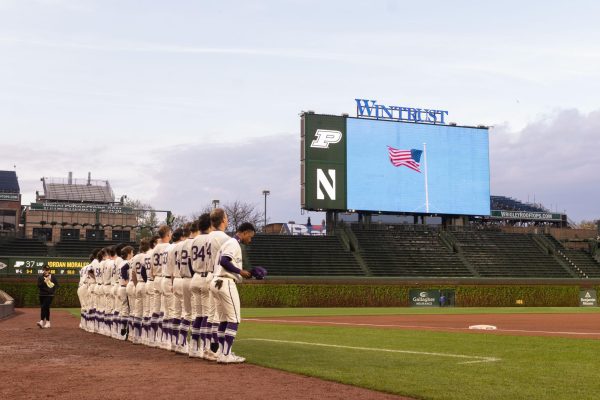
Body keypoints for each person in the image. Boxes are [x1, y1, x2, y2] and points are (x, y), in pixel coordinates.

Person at [210, 222, 255, 363]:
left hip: (217, 281)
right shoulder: (233, 243)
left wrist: (244, 273)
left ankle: (222, 353)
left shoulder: (228, 243)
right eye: (251, 236)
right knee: (234, 320)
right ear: (245, 232)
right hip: (225, 282)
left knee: (223, 320)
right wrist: (240, 271)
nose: (250, 239)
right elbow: (224, 261)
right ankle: (226, 354)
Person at [189, 213, 213, 358]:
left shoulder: (194, 240)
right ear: (210, 224)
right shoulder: (212, 238)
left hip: (195, 277)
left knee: (198, 315)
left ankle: (193, 346)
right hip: (206, 277)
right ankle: (205, 347)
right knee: (207, 315)